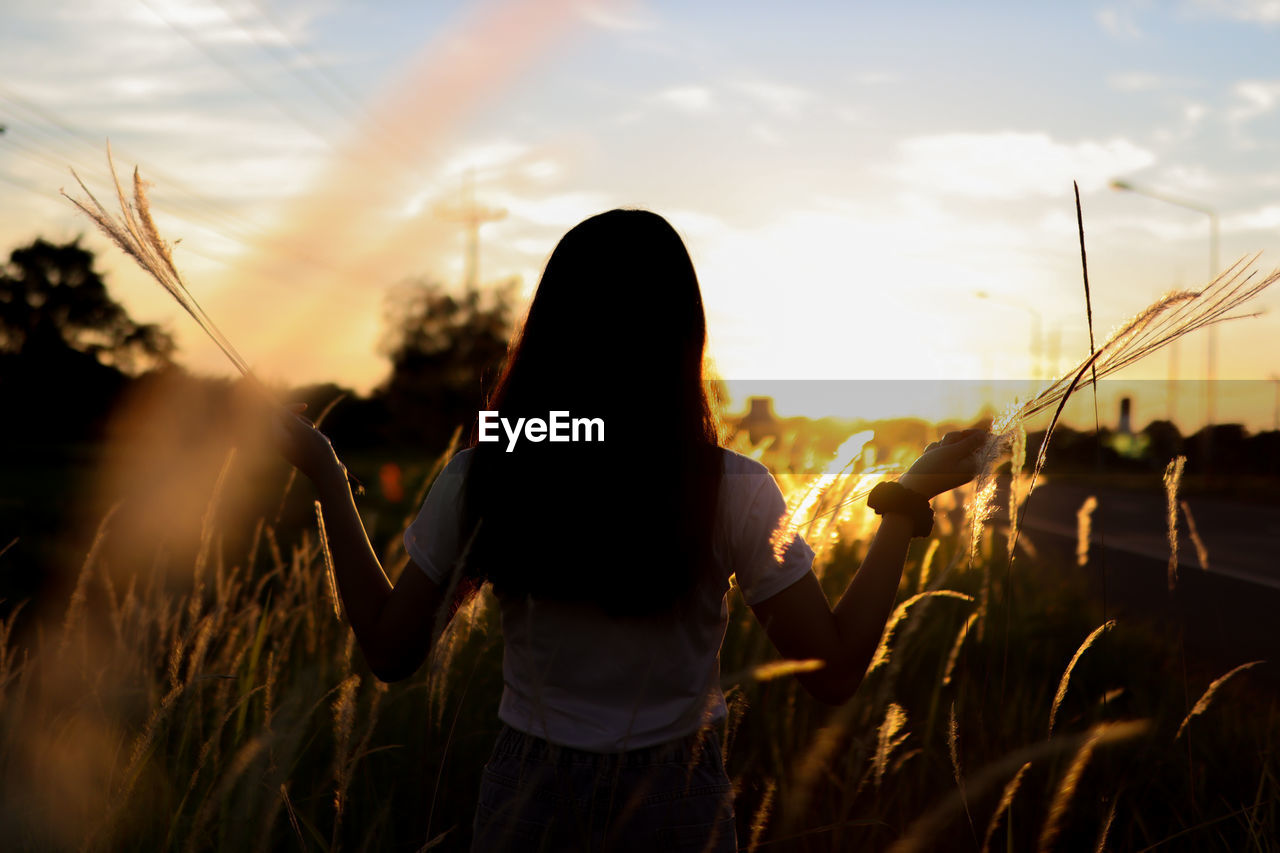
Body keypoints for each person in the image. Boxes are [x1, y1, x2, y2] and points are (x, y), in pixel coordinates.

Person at [273, 209, 986, 851]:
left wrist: (328, 477)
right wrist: (904, 500)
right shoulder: (731, 486)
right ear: (682, 339)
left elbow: (393, 650)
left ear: (551, 331)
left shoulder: (489, 475)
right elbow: (832, 670)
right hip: (674, 803)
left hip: (530, 800)